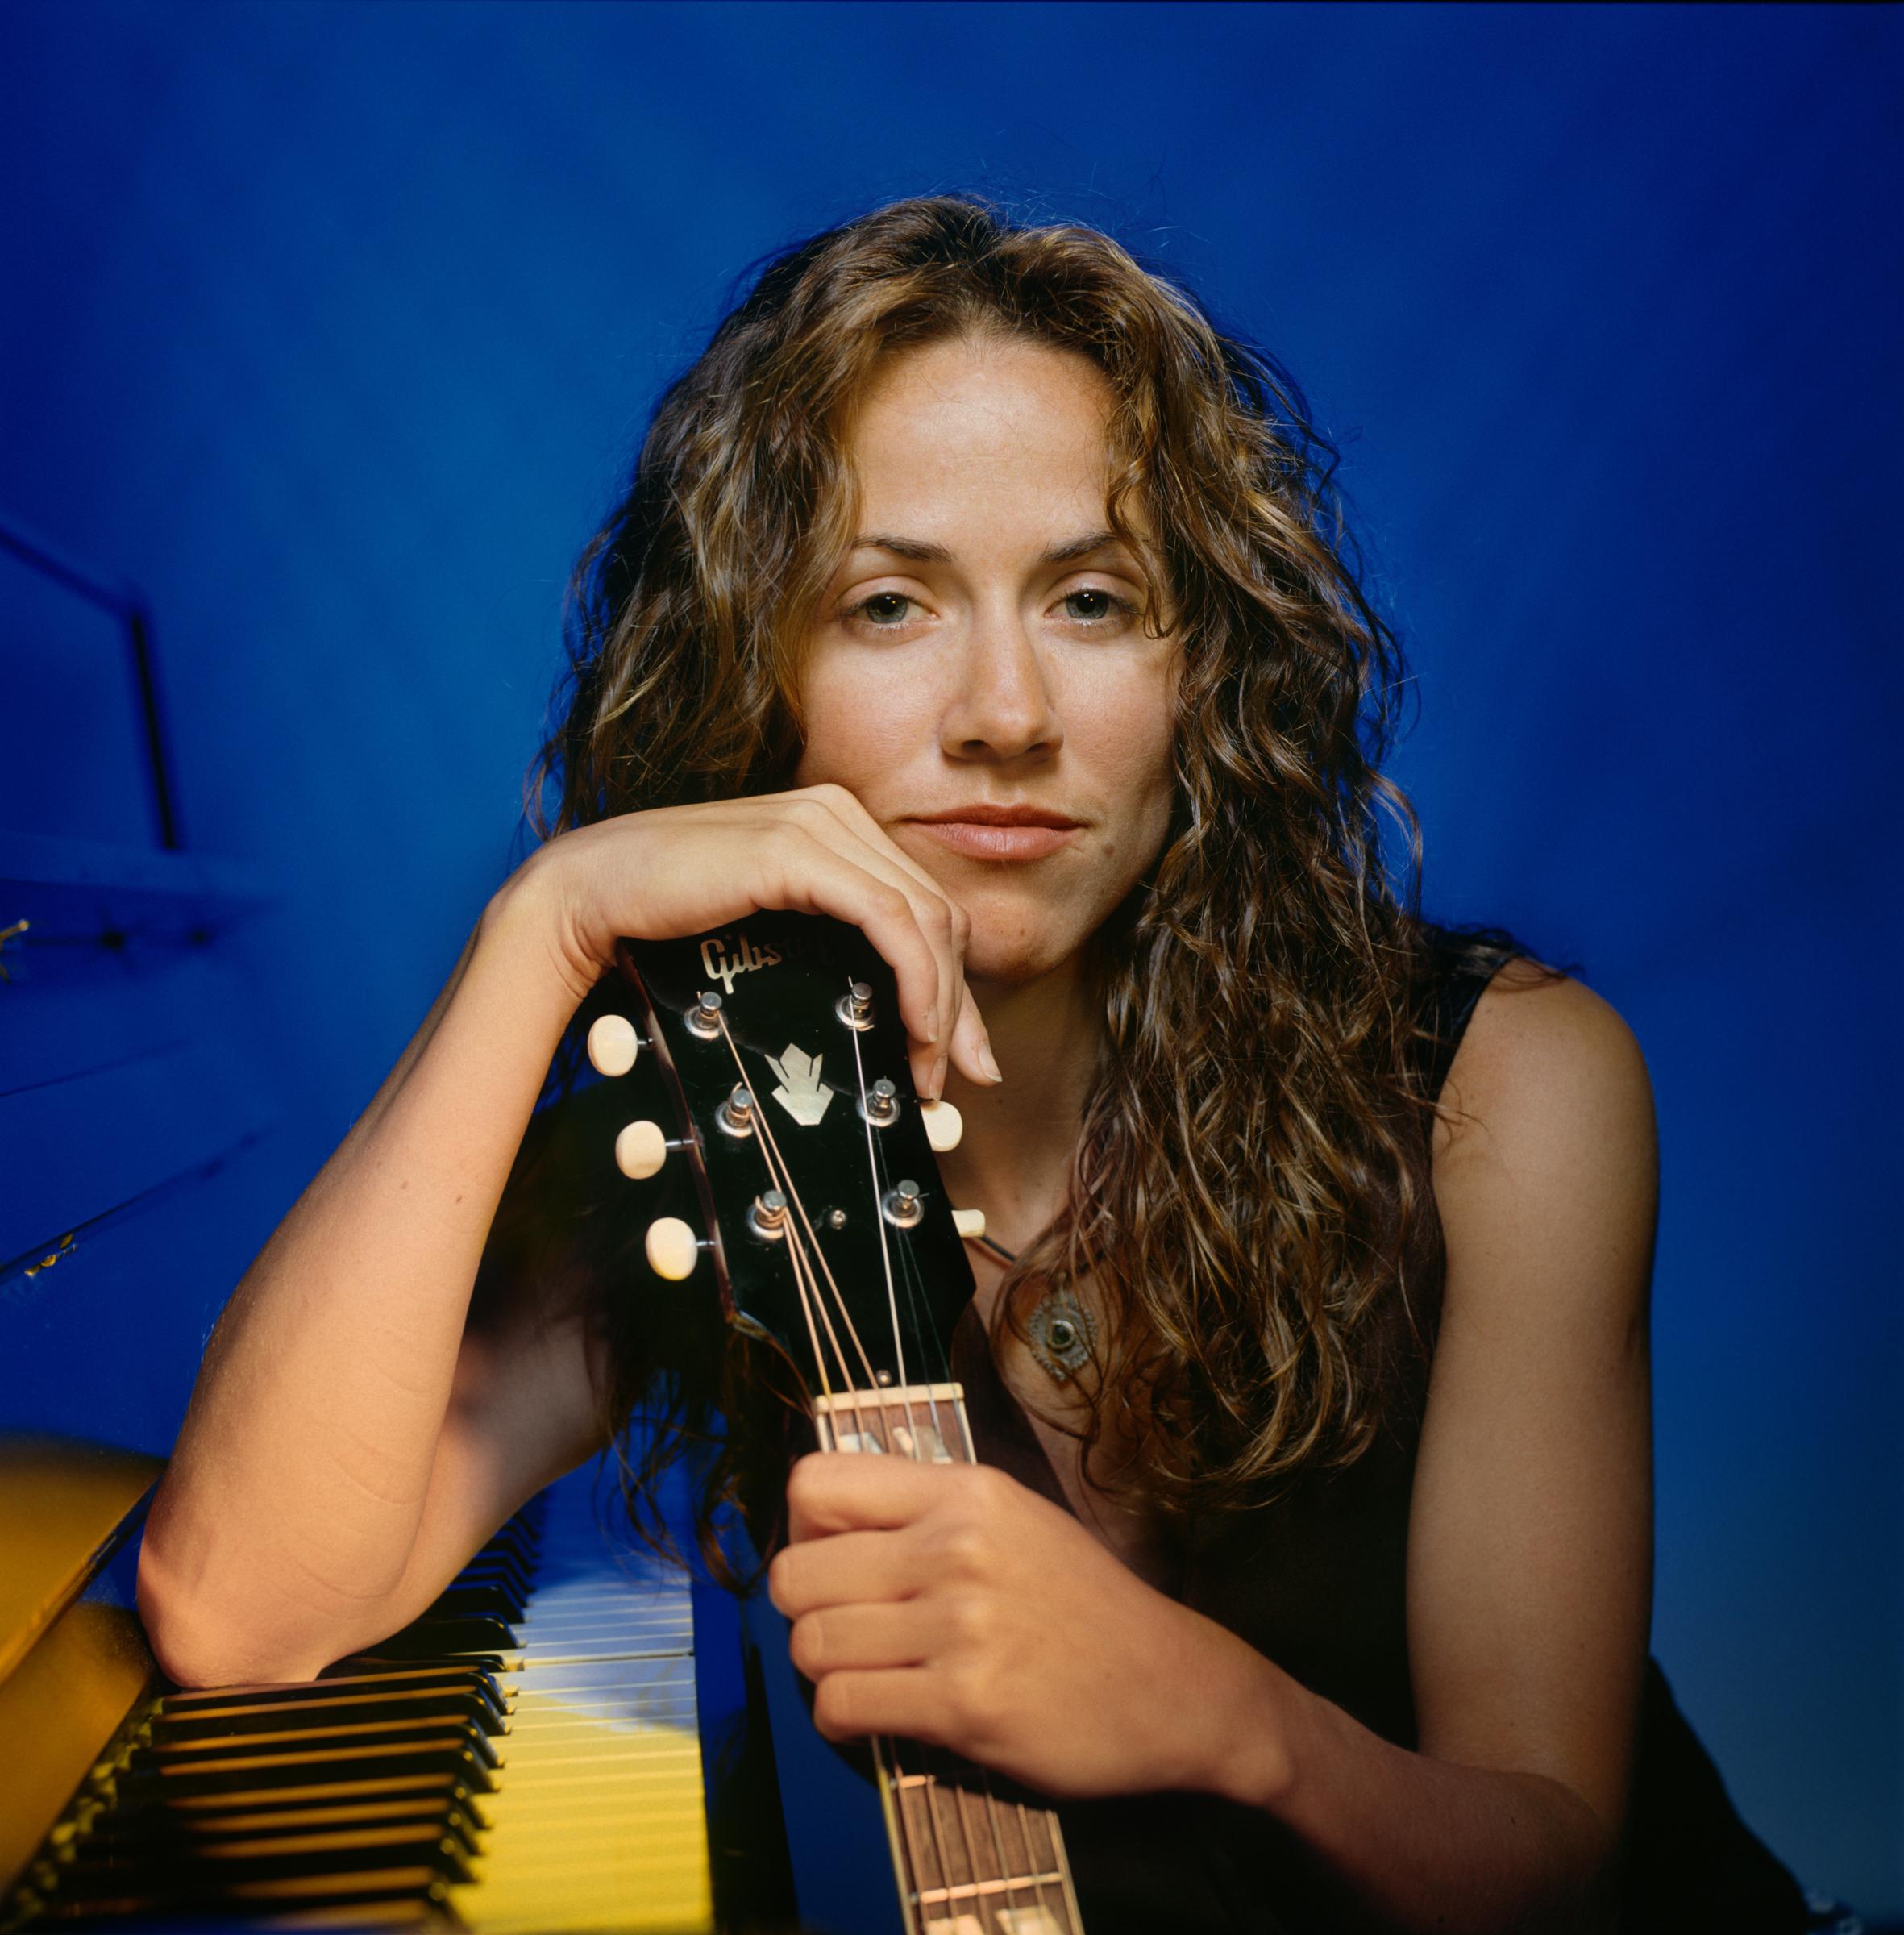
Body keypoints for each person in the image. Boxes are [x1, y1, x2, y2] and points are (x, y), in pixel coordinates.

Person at [135, 195, 1811, 1933]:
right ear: (754, 666)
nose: (1004, 713)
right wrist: (546, 924)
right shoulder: (710, 1151)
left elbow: (1552, 1863)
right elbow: (241, 1610)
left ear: (1202, 675)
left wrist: (1219, 1719)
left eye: (1091, 601)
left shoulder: (1501, 1089)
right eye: (887, 604)